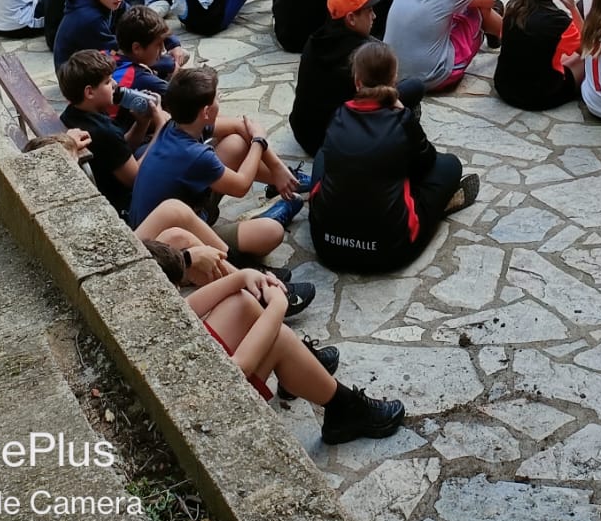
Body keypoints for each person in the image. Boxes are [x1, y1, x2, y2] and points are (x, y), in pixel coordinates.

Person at [146, 239, 405, 444]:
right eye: (175, 289)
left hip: (196, 397)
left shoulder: (149, 320)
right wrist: (278, 306)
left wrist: (244, 276)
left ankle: (301, 369)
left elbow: (186, 309)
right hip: (209, 421)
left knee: (243, 302)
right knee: (280, 338)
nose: (180, 293)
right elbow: (236, 370)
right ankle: (343, 409)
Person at [309, 40, 478, 273]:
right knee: (450, 165)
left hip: (327, 245)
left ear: (357, 81)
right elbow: (427, 164)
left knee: (323, 155)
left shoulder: (339, 115)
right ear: (394, 79)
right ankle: (432, 210)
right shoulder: (403, 120)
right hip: (390, 251)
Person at [129, 64, 306, 234]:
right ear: (206, 112)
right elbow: (241, 186)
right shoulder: (194, 155)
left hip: (186, 210)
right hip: (174, 241)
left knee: (236, 143)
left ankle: (288, 181)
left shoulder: (176, 124)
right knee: (271, 233)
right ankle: (267, 216)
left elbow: (240, 126)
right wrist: (259, 141)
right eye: (216, 97)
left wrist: (277, 167)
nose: (219, 98)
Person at [290, 0, 425, 152]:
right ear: (351, 18)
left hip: (303, 132)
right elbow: (384, 93)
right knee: (415, 86)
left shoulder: (314, 41)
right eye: (369, 11)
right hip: (336, 141)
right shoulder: (363, 55)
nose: (374, 16)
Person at [57, 49, 166, 216]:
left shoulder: (73, 113)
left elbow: (120, 151)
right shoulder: (104, 132)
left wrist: (142, 123)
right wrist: (161, 130)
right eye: (107, 82)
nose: (115, 84)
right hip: (124, 205)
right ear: (89, 92)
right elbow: (136, 180)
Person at [494, 0, 581, 111]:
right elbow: (587, 48)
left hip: (504, 87)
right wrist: (573, 9)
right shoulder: (559, 21)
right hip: (540, 96)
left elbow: (503, 37)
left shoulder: (513, 6)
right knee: (584, 60)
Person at [51, 0, 129, 67]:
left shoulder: (108, 0)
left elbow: (133, 18)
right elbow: (120, 49)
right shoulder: (90, 19)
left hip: (92, 60)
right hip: (75, 73)